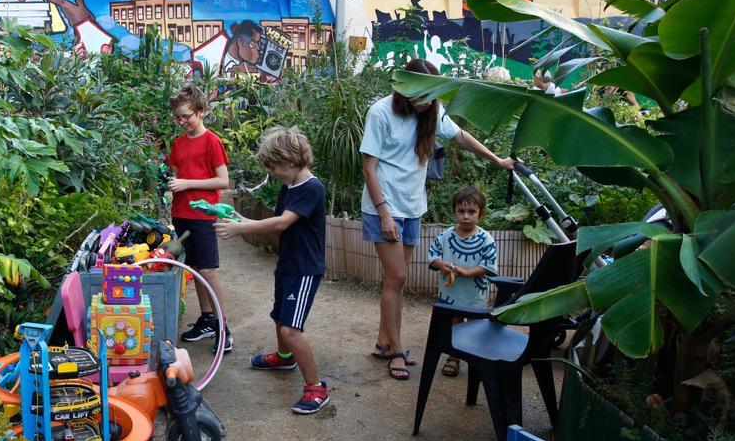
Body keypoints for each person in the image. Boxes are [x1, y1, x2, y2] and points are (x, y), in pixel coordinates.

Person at [360, 58, 514, 381]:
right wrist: (385, 213)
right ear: (404, 89)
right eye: (421, 95)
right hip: (383, 208)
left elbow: (460, 137)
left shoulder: (432, 111)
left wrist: (498, 160)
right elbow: (369, 168)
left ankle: (383, 342)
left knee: (394, 280)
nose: (427, 102)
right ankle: (397, 352)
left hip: (413, 207)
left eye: (432, 95)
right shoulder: (380, 112)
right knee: (398, 277)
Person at [215, 127, 328, 414]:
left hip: (304, 270)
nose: (273, 172)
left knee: (290, 328)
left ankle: (316, 387)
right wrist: (240, 217)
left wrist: (242, 228)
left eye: (274, 166)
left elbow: (281, 223)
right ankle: (284, 357)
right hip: (288, 264)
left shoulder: (311, 188)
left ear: (291, 160)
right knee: (279, 317)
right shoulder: (289, 186)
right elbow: (277, 219)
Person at [167, 84, 234, 353]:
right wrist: (171, 182)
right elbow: (175, 171)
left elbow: (223, 180)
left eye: (187, 116)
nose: (182, 121)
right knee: (194, 270)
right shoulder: (179, 143)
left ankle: (223, 327)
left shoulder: (212, 141)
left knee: (208, 270)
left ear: (202, 111)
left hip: (203, 214)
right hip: (181, 213)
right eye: (177, 117)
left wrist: (185, 183)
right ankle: (207, 319)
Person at [428, 186, 499, 377]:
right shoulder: (445, 236)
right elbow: (432, 255)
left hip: (475, 294)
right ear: (454, 212)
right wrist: (441, 264)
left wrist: (468, 272)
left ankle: (476, 358)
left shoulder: (486, 239)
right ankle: (454, 357)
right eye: (461, 211)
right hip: (451, 294)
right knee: (455, 323)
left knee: (476, 325)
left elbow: (489, 265)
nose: (465, 216)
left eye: (471, 212)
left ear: (480, 214)